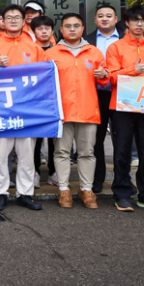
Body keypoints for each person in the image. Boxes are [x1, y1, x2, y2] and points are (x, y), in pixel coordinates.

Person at [0, 4, 47, 211]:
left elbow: (45, 76)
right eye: (9, 17)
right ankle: (0, 193)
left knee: (26, 155)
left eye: (17, 17)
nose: (13, 21)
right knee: (0, 155)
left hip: (27, 110)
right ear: (2, 21)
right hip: (2, 109)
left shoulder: (34, 47)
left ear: (24, 21)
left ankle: (25, 193)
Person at [106, 5, 144, 212]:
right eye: (135, 20)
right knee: (122, 151)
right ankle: (122, 194)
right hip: (122, 106)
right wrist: (133, 70)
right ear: (127, 23)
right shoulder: (116, 48)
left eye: (143, 20)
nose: (139, 24)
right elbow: (111, 76)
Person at [45, 13, 108, 210]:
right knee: (61, 152)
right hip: (61, 112)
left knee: (87, 152)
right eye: (68, 26)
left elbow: (104, 81)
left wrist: (104, 75)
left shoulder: (95, 53)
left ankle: (86, 189)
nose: (72, 29)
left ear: (82, 29)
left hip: (88, 110)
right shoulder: (51, 54)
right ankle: (63, 189)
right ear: (61, 30)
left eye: (76, 26)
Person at [84, 5, 122, 194]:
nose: (105, 18)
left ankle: (121, 179)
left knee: (121, 139)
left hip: (121, 93)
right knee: (96, 139)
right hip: (96, 95)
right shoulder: (86, 41)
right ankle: (98, 179)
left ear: (116, 19)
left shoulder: (125, 40)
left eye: (109, 15)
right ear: (95, 20)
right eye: (100, 16)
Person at [31, 15, 56, 188]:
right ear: (34, 32)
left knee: (55, 137)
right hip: (36, 100)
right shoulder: (29, 50)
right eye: (40, 28)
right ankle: (35, 172)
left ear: (52, 30)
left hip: (55, 99)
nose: (44, 31)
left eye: (47, 28)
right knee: (35, 139)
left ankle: (54, 171)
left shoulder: (59, 50)